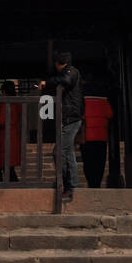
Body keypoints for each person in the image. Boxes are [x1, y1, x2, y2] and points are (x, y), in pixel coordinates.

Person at [40, 51, 83, 201]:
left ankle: (67, 185)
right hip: (69, 119)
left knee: (59, 152)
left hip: (71, 118)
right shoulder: (68, 74)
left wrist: (47, 82)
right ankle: (73, 186)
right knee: (68, 152)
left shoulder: (71, 72)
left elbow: (65, 80)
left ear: (59, 63)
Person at [0, 80, 22, 182]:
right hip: (13, 136)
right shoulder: (17, 103)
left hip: (3, 138)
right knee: (8, 167)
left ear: (4, 91)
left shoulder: (5, 103)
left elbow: (0, 121)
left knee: (2, 166)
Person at [82, 94, 113, 189]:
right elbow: (110, 115)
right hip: (101, 136)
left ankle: (91, 183)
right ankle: (97, 183)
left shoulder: (83, 102)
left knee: (87, 162)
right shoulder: (104, 101)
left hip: (87, 137)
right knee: (99, 162)